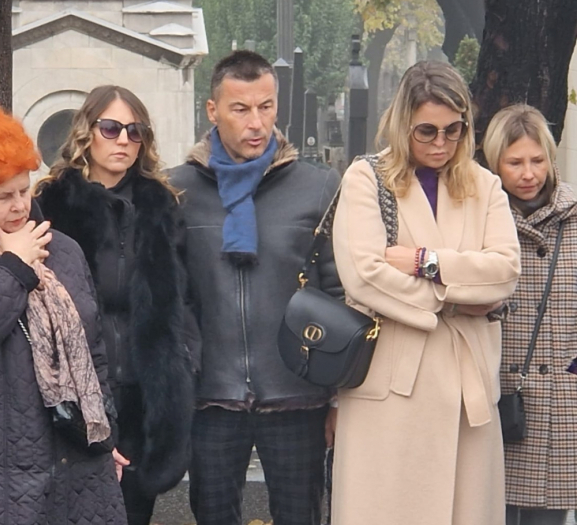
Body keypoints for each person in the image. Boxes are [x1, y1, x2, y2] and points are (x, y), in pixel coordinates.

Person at [330, 61, 521, 525]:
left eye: (454, 130)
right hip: (391, 387)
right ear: (403, 125)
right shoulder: (367, 178)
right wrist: (456, 299)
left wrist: (424, 262)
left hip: (467, 390)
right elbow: (364, 275)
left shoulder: (484, 185)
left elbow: (504, 271)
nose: (441, 143)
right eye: (427, 131)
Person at [0, 100, 127, 525]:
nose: (19, 205)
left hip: (75, 456)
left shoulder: (63, 249)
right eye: (3, 196)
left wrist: (105, 432)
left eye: (23, 190)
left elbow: (93, 351)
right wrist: (16, 264)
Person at [168, 50, 341, 525]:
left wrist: (336, 395)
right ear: (213, 110)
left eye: (266, 107)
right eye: (241, 109)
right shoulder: (176, 191)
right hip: (211, 395)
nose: (256, 123)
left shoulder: (318, 187)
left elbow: (337, 291)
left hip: (296, 392)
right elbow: (172, 295)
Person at [36, 85, 196, 525]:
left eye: (135, 131)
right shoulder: (52, 202)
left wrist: (186, 364)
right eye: (111, 128)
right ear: (87, 132)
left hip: (147, 395)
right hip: (78, 396)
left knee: (135, 513)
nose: (124, 139)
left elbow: (184, 298)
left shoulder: (160, 204)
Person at [483, 104, 577, 525]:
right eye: (515, 162)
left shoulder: (572, 217)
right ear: (495, 163)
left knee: (549, 516)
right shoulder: (479, 220)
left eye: (537, 161)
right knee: (488, 509)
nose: (528, 174)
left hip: (563, 399)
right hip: (498, 397)